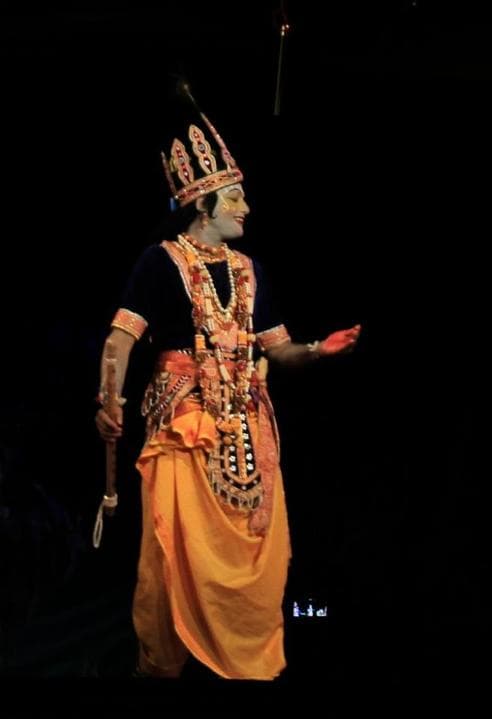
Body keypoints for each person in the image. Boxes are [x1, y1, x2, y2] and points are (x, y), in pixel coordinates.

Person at [95, 82, 360, 679]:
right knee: (177, 560)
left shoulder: (250, 270)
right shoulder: (160, 262)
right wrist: (109, 401)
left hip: (247, 430)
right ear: (204, 203)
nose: (246, 209)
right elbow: (119, 341)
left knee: (255, 566)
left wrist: (318, 350)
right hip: (185, 427)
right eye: (235, 198)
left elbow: (278, 349)